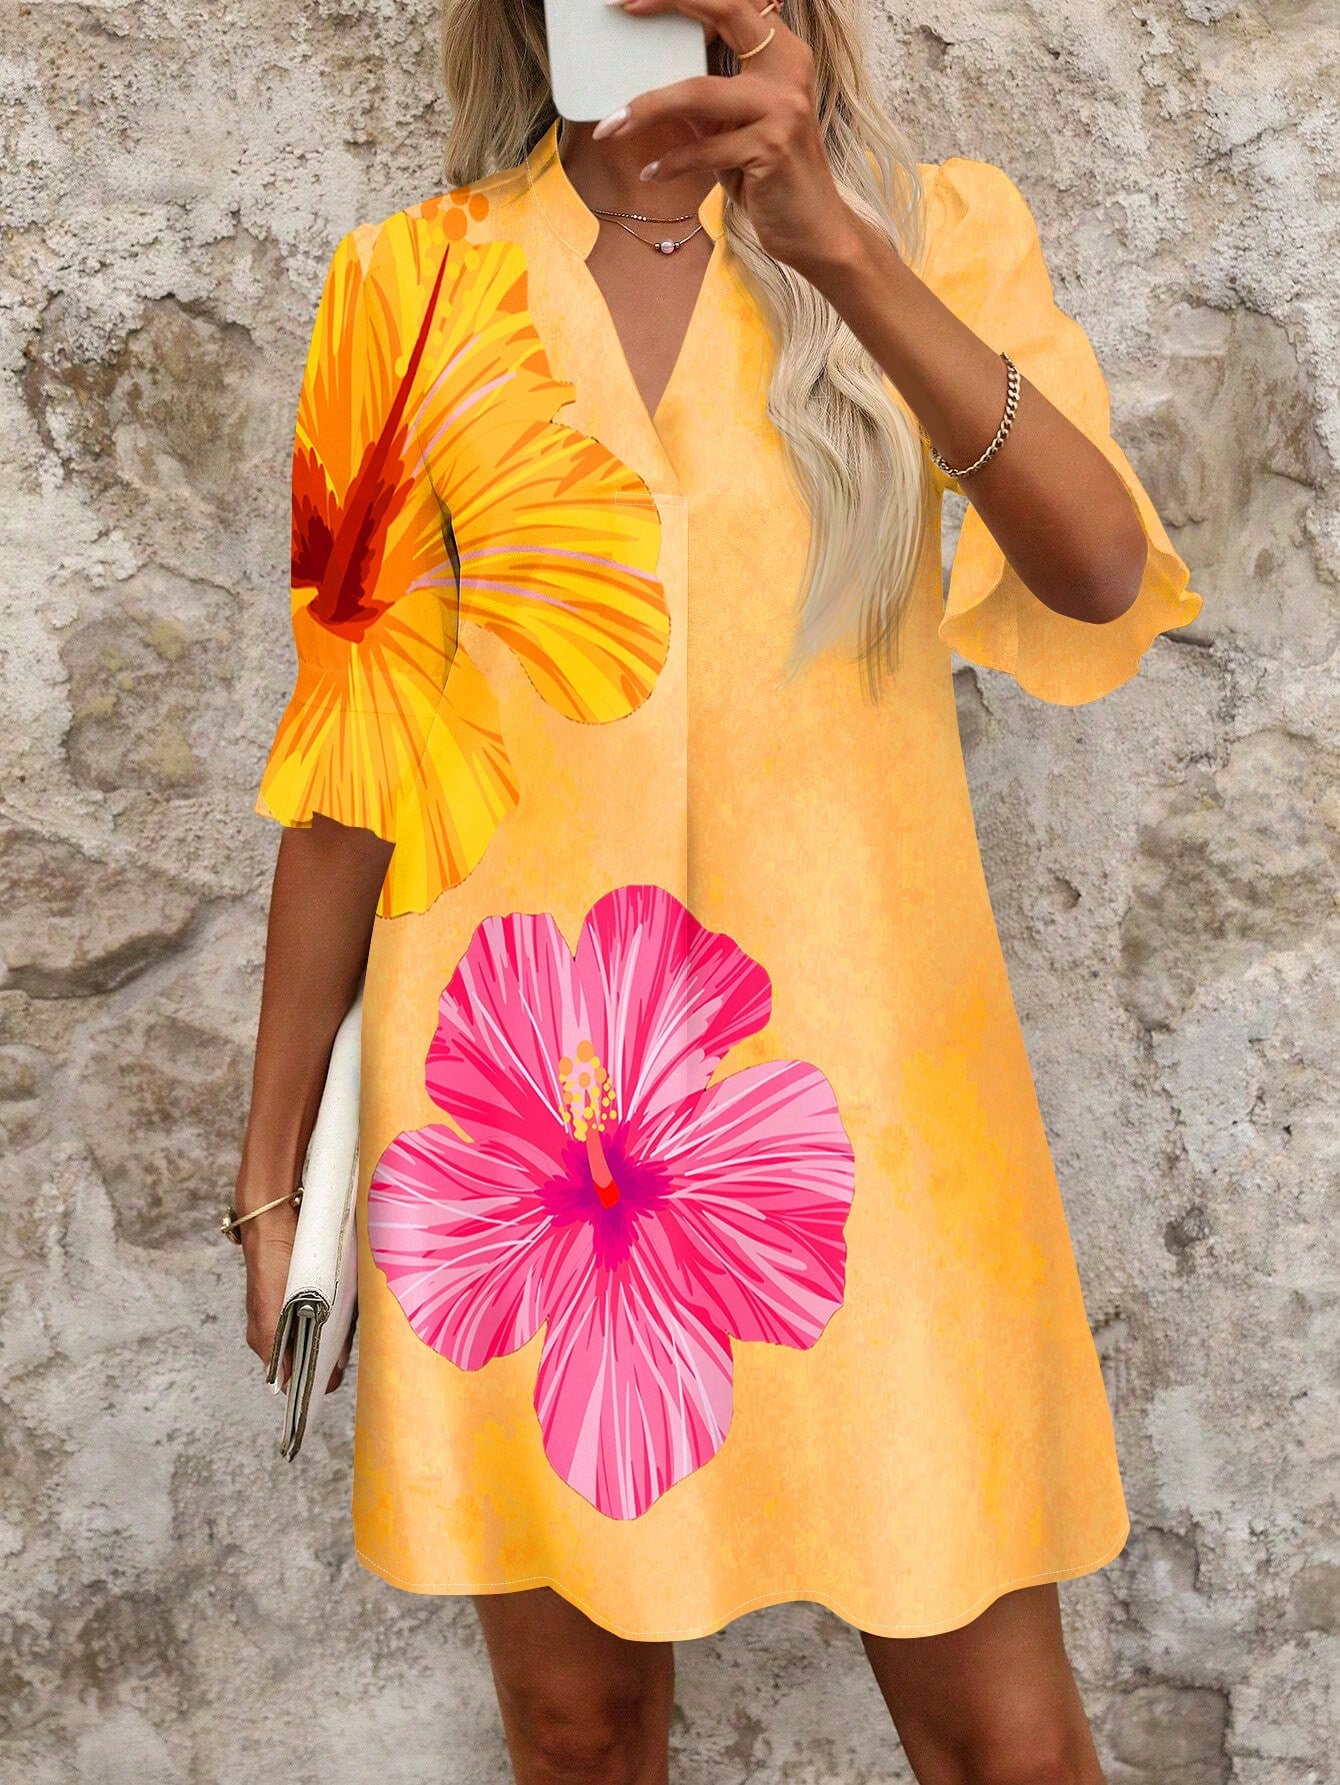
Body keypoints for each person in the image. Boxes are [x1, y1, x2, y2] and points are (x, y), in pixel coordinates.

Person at [231, 0, 1201, 1779]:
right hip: (528, 1127)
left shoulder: (935, 227)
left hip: (874, 1110)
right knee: (577, 1730)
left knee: (1009, 1744)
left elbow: (1096, 565)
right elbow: (355, 753)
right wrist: (272, 1169)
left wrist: (838, 244)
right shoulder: (410, 285)